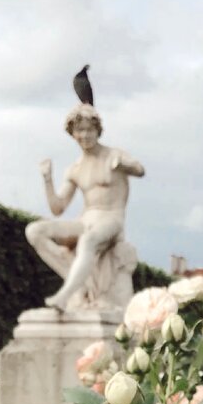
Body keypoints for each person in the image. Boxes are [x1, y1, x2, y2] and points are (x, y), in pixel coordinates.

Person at [26, 103, 144, 311]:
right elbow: (58, 207)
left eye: (89, 129)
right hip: (85, 220)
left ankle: (65, 295)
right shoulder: (75, 169)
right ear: (73, 134)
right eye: (80, 130)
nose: (85, 134)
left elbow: (140, 170)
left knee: (88, 241)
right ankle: (79, 280)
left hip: (111, 219)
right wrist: (47, 179)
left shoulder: (113, 154)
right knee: (35, 231)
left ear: (98, 130)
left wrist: (122, 165)